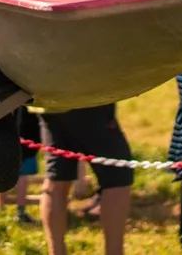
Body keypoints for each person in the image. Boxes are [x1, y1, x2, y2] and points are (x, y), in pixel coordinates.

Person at [38, 105, 133, 255]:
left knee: (57, 176)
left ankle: (56, 252)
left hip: (50, 100)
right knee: (118, 178)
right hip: (89, 98)